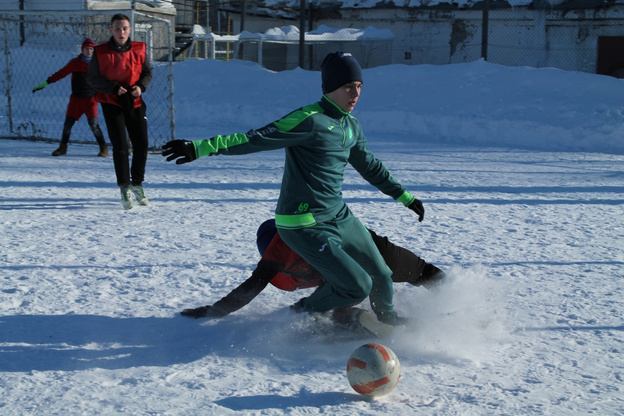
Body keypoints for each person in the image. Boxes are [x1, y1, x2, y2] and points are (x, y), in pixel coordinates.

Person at [162, 51, 426, 326]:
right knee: (358, 285)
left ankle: (387, 320)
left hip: (337, 215)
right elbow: (255, 139)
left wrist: (404, 196)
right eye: (349, 86)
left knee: (381, 275)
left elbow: (370, 165)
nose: (355, 93)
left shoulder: (351, 126)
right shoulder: (308, 119)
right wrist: (201, 147)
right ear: (331, 87)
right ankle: (298, 315)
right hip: (303, 221)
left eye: (359, 86)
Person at [180, 219, 444, 324]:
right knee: (329, 312)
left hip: (363, 245)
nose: (300, 268)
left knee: (416, 271)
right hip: (337, 274)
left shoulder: (309, 236)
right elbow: (249, 288)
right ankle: (358, 321)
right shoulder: (276, 259)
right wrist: (214, 310)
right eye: (291, 265)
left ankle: (467, 305)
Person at [86, 13, 152, 210]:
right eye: (117, 28)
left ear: (130, 29)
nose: (121, 32)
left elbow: (147, 72)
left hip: (135, 101)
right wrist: (113, 88)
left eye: (124, 28)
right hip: (112, 102)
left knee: (141, 144)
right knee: (121, 146)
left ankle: (137, 184)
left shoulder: (140, 48)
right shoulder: (101, 52)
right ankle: (124, 186)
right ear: (111, 30)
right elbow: (92, 78)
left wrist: (141, 86)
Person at [32, 38, 108, 157]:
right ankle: (63, 147)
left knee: (93, 124)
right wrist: (47, 82)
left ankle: (103, 148)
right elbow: (61, 73)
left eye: (92, 49)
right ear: (82, 50)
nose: (89, 51)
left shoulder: (97, 64)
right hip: (76, 100)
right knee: (68, 124)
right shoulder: (74, 63)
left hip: (91, 100)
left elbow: (106, 78)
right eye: (87, 48)